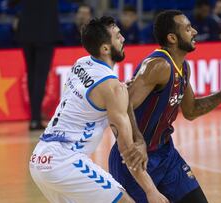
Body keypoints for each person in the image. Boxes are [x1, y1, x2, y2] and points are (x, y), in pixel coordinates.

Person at [109, 10, 221, 203]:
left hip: (166, 155)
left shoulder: (183, 67)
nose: (194, 31)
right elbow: (123, 103)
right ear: (172, 38)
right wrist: (138, 140)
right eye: (187, 28)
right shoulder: (159, 66)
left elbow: (191, 110)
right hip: (135, 159)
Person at [29, 16, 169, 203]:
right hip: (64, 161)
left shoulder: (81, 63)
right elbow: (127, 150)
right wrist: (151, 191)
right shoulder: (112, 88)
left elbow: (87, 102)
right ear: (105, 48)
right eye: (118, 37)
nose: (123, 40)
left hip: (39, 159)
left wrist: (118, 95)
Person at [9, 0, 61, 130]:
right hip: (46, 32)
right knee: (40, 76)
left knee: (32, 74)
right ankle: (35, 118)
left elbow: (11, 3)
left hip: (27, 32)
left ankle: (34, 118)